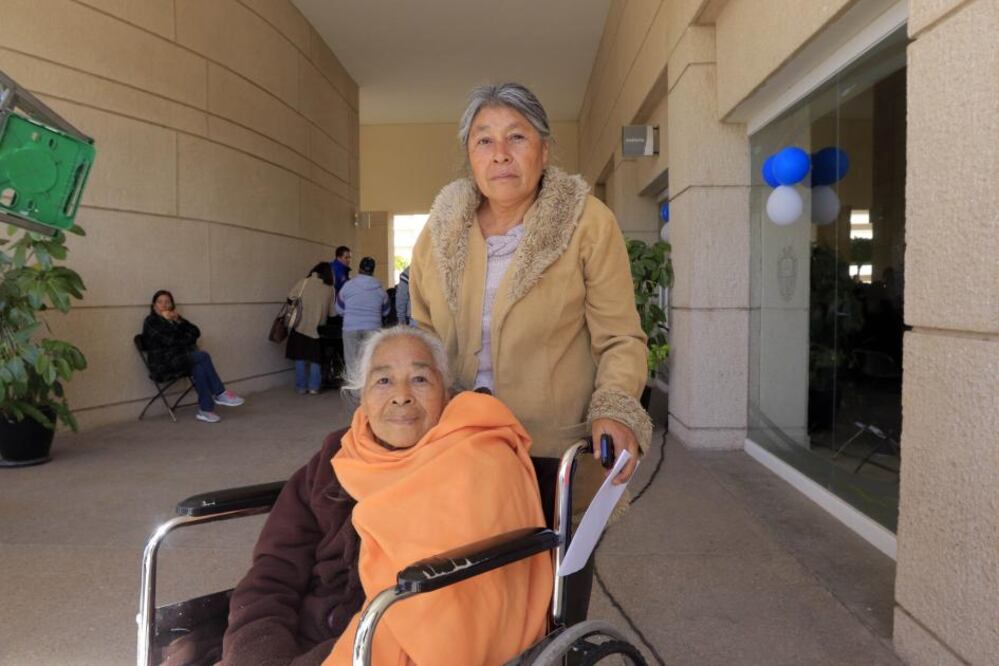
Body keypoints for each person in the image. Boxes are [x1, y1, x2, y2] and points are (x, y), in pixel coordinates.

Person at [221, 327, 552, 666]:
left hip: (383, 639)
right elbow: (275, 569)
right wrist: (255, 652)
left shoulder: (477, 462)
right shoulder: (336, 457)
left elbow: (450, 613)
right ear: (362, 397)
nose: (401, 396)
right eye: (383, 381)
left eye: (420, 379)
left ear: (446, 392)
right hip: (299, 633)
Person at [409, 82, 652, 496]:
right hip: (454, 442)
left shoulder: (587, 223)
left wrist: (615, 407)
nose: (500, 153)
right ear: (470, 156)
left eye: (517, 137)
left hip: (549, 450)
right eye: (484, 140)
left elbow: (620, 338)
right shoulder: (439, 232)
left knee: (551, 540)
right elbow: (423, 335)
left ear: (544, 150)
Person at [142, 290, 243, 423]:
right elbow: (170, 341)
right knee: (203, 356)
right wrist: (187, 338)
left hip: (180, 359)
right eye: (160, 302)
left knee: (199, 368)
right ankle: (220, 393)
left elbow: (196, 332)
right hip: (163, 364)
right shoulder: (151, 321)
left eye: (167, 302)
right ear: (154, 305)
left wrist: (179, 320)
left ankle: (205, 410)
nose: (164, 305)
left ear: (172, 304)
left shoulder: (175, 319)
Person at [286, 263, 336, 394]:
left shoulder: (304, 282)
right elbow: (332, 313)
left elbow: (290, 298)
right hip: (318, 329)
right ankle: (314, 387)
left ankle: (301, 387)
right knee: (316, 359)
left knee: (300, 357)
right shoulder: (330, 289)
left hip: (300, 326)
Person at [336, 256, 389, 379]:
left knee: (352, 363)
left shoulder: (347, 286)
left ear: (359, 269)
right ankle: (368, 388)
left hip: (350, 328)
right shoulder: (380, 290)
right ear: (373, 270)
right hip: (373, 329)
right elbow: (386, 311)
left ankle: (355, 389)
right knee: (371, 362)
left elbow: (339, 308)